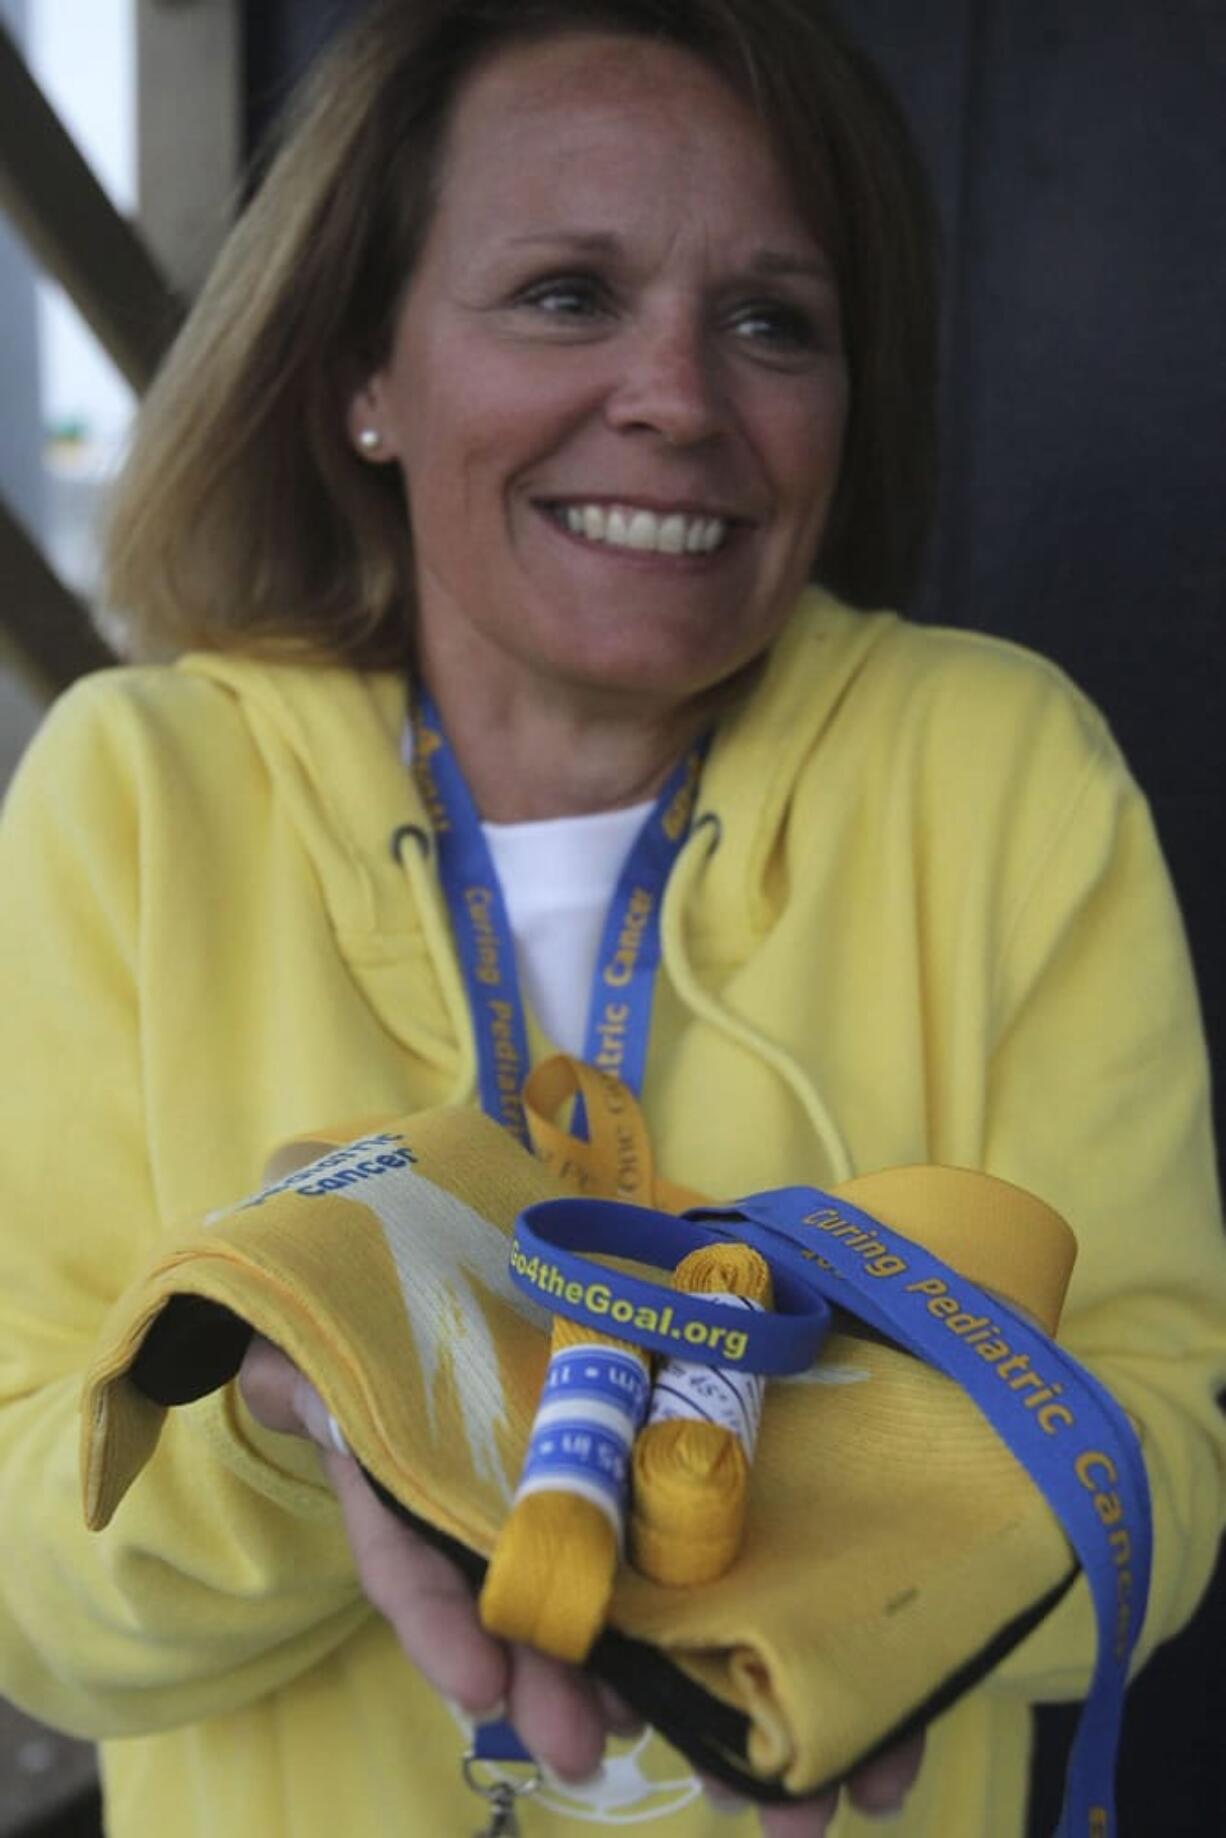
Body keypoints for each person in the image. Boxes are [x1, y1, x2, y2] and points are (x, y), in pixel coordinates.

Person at [1, 1, 1223, 1834]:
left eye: (770, 321)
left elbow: (1167, 1467)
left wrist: (843, 1576)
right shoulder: (142, 794)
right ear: (366, 372)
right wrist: (289, 1420)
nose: (677, 395)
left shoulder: (1000, 772)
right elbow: (31, 1589)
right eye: (567, 292)